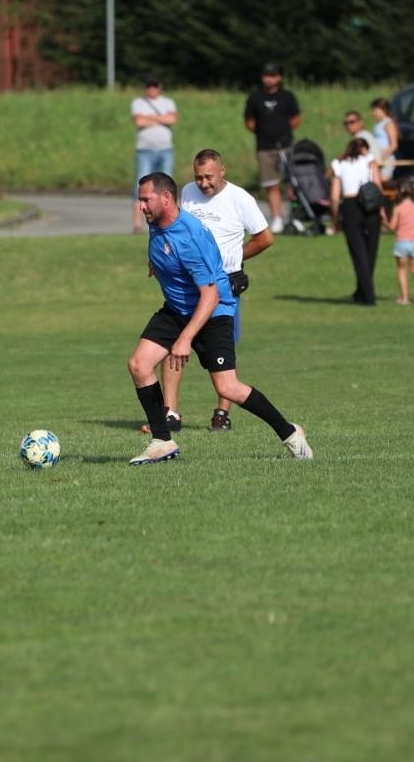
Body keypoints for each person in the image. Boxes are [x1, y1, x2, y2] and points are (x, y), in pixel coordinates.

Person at [127, 173, 312, 465]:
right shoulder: (157, 221)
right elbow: (164, 248)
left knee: (228, 388)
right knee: (139, 364)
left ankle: (289, 432)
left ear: (166, 198)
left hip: (212, 312)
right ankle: (162, 441)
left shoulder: (190, 237)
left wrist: (185, 338)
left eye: (146, 199)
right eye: (140, 199)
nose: (141, 206)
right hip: (177, 309)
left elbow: (210, 296)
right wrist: (157, 263)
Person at [166, 149, 274, 434]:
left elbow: (265, 238)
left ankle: (222, 414)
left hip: (223, 285)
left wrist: (236, 258)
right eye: (198, 177)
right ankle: (170, 414)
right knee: (176, 342)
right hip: (189, 284)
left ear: (222, 170)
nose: (203, 183)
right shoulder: (188, 192)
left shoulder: (240, 199)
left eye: (208, 177)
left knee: (223, 351)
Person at [243, 63, 301, 234]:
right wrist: (264, 132)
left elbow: (296, 118)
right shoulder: (254, 97)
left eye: (273, 75)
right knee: (271, 184)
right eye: (266, 75)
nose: (269, 79)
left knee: (293, 184)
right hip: (265, 146)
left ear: (279, 77)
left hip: (286, 145)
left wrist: (282, 130)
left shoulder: (288, 96)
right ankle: (276, 218)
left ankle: (294, 216)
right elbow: (249, 122)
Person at [328, 137, 383, 305]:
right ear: (364, 149)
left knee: (358, 253)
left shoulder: (338, 164)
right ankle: (363, 291)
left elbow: (335, 196)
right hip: (371, 205)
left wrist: (336, 216)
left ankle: (366, 295)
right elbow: (378, 186)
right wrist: (383, 211)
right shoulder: (370, 160)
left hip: (351, 206)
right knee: (370, 251)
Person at [131, 74, 178, 233]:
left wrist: (150, 118)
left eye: (155, 86)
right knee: (141, 185)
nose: (152, 89)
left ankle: (167, 220)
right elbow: (139, 121)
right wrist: (161, 118)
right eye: (149, 86)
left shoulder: (168, 102)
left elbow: (172, 119)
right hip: (145, 150)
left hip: (165, 149)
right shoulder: (138, 103)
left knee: (166, 187)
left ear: (160, 87)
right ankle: (138, 224)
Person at [383, 177, 414, 304]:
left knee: (402, 270)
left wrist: (384, 221)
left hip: (402, 242)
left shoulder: (398, 207)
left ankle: (404, 298)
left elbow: (392, 227)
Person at [370, 97, 399, 180]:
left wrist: (382, 157)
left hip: (386, 158)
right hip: (378, 157)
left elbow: (394, 145)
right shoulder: (378, 124)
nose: (373, 113)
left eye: (375, 110)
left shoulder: (388, 123)